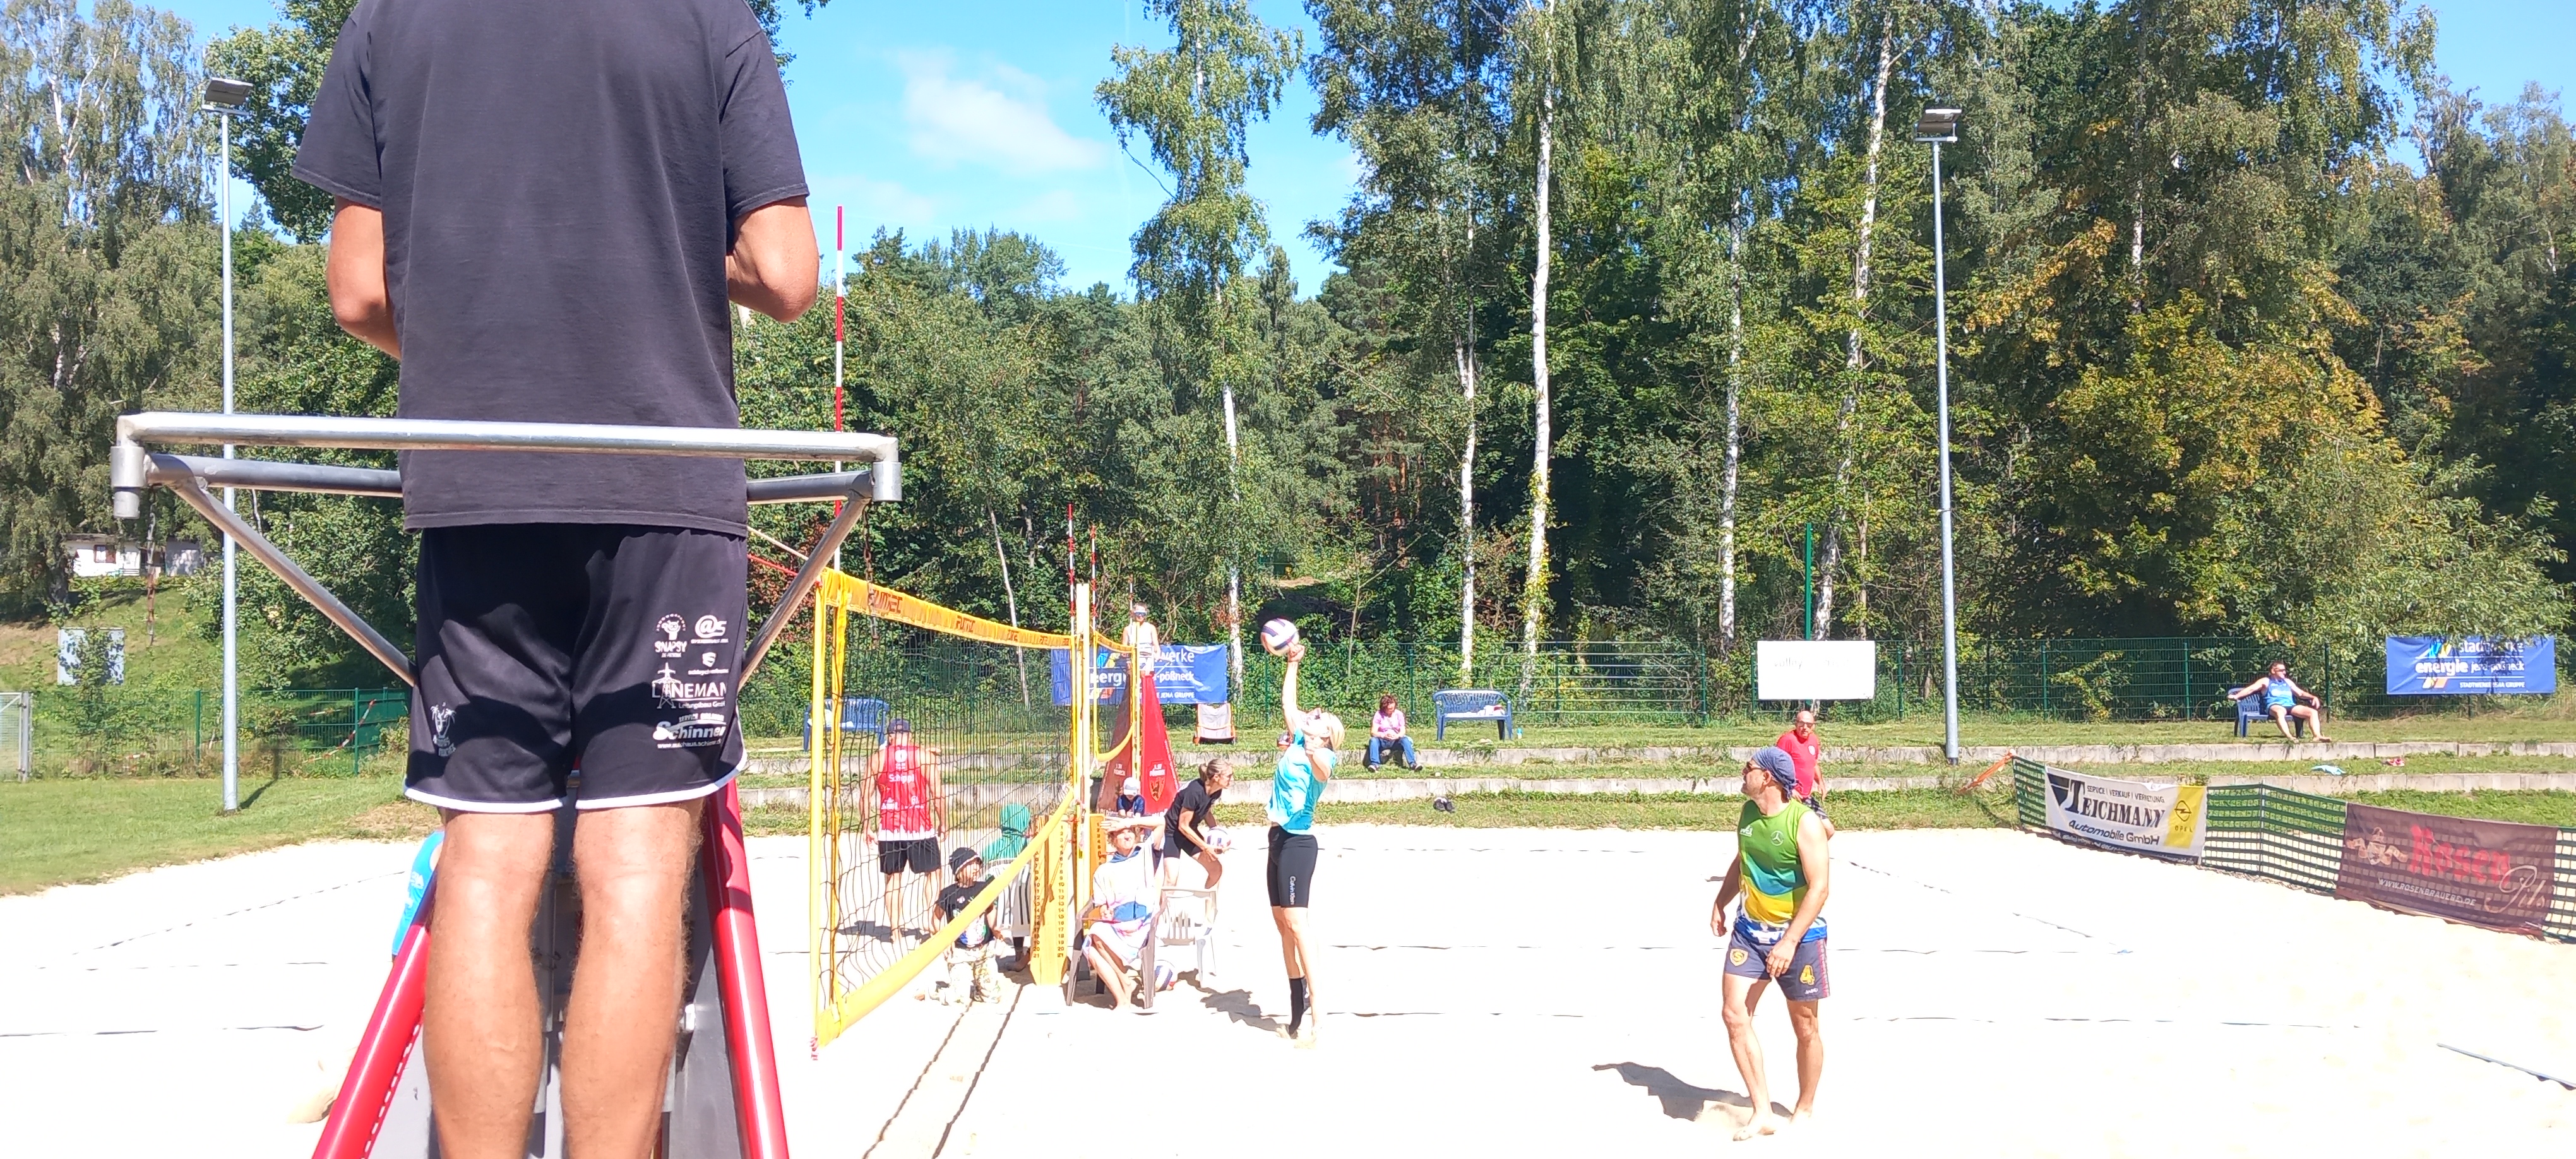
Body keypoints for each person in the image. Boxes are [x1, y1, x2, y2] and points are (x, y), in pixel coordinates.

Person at [295, 1, 815, 1151]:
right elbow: (786, 274)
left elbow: (359, 292)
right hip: (663, 487)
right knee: (636, 865)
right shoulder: (708, 20)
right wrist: (657, 260)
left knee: (486, 859)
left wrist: (493, 346)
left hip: (480, 484)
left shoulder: (390, 20)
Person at [1708, 746, 1831, 1141]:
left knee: (1805, 1025)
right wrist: (1721, 902)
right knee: (1734, 1015)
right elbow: (1742, 861)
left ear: (1768, 778)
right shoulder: (1747, 814)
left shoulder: (1804, 823)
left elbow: (1820, 889)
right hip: (1750, 933)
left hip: (1799, 937)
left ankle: (1805, 1107)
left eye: (1750, 767)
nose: (1743, 772)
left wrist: (1789, 942)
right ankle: (1761, 1110)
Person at [1268, 638, 1343, 1047]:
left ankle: (1319, 1012)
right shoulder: (1299, 740)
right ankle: (1296, 1002)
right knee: (1282, 925)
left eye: (1320, 719)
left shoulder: (1325, 755)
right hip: (1277, 837)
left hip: (1300, 844)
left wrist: (1315, 750)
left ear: (1327, 734)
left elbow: (1322, 773)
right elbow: (1288, 702)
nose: (1313, 715)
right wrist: (1293, 662)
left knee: (1298, 924)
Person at [868, 719, 946, 944]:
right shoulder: (924, 757)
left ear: (889, 737)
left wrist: (866, 826)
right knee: (934, 873)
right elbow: (938, 795)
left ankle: (895, 932)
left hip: (890, 829)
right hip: (919, 827)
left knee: (893, 880)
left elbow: (865, 796)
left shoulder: (877, 759)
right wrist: (944, 823)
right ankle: (931, 920)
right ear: (910, 736)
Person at [1080, 814, 1165, 1013]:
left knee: (1096, 936)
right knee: (1092, 947)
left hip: (1142, 924)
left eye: (1130, 832)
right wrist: (1105, 912)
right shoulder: (1104, 870)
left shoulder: (1145, 854)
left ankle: (1126, 984)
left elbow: (1161, 823)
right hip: (1119, 926)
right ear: (1113, 839)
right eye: (1121, 833)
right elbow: (1102, 906)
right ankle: (1123, 997)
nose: (1127, 835)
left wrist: (1129, 822)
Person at [932, 848, 1001, 1005]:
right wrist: (944, 940)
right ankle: (936, 992)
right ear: (959, 870)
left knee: (993, 997)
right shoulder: (948, 894)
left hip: (983, 950)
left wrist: (994, 928)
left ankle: (978, 989)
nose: (976, 867)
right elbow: (936, 918)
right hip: (959, 951)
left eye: (977, 863)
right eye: (971, 864)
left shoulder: (984, 888)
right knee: (959, 998)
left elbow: (990, 908)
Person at [1162, 760, 1232, 886]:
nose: (1232, 779)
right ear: (1216, 777)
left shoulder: (1216, 791)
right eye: (1229, 776)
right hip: (1172, 833)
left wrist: (1219, 837)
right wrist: (1205, 847)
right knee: (1171, 880)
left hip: (1190, 832)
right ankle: (1161, 900)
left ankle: (1209, 899)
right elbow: (1183, 826)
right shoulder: (1194, 791)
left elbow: (1207, 813)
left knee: (1216, 870)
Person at [2229, 662, 2332, 742]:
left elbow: (2300, 693)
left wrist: (2313, 697)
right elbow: (2250, 689)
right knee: (2279, 711)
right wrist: (2236, 696)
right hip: (2274, 705)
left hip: (2290, 706)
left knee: (2312, 712)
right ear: (2273, 671)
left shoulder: (2287, 681)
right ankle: (2290, 737)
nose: (2285, 673)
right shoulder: (2266, 681)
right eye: (2282, 670)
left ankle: (2317, 736)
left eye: (2285, 670)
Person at [1773, 710, 1835, 838]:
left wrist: (1821, 783)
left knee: (1828, 830)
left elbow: (1814, 763)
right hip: (1790, 796)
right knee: (1793, 834)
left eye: (1809, 724)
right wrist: (1789, 789)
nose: (1805, 727)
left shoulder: (1813, 740)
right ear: (1796, 724)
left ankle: (1809, 851)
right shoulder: (1787, 740)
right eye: (1801, 724)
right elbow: (1774, 767)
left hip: (1806, 796)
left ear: (1814, 726)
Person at [1364, 694, 1422, 771]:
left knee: (1405, 740)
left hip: (1395, 741)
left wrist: (1397, 736)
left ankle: (1413, 764)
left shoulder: (1399, 714)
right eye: (1388, 704)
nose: (1391, 706)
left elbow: (1403, 730)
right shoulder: (1379, 714)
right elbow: (1373, 732)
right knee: (1373, 740)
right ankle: (1375, 765)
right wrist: (1383, 735)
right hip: (1382, 740)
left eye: (1392, 703)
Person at [1122, 602, 1160, 672]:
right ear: (1134, 613)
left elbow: (1156, 645)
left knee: (1146, 677)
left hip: (1148, 660)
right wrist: (1126, 657)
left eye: (1143, 613)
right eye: (1138, 613)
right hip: (1133, 661)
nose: (1140, 616)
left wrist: (1158, 654)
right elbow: (1124, 648)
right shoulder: (1128, 629)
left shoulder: (1151, 628)